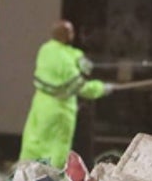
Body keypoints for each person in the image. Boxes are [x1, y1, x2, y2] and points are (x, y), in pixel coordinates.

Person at [20, 20, 116, 168]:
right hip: (61, 110)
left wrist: (78, 57)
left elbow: (65, 53)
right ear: (66, 35)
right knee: (57, 148)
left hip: (40, 105)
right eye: (70, 32)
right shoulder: (66, 61)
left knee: (33, 142)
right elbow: (82, 88)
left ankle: (24, 178)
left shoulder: (45, 49)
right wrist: (102, 88)